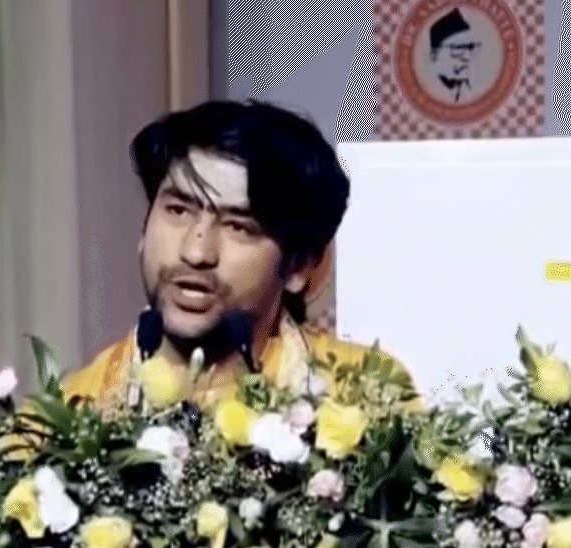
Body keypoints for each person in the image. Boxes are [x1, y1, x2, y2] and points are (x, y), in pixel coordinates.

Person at [60, 99, 417, 412]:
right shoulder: (71, 416)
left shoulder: (363, 403)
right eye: (178, 211)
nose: (196, 252)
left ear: (299, 267)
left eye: (239, 228)